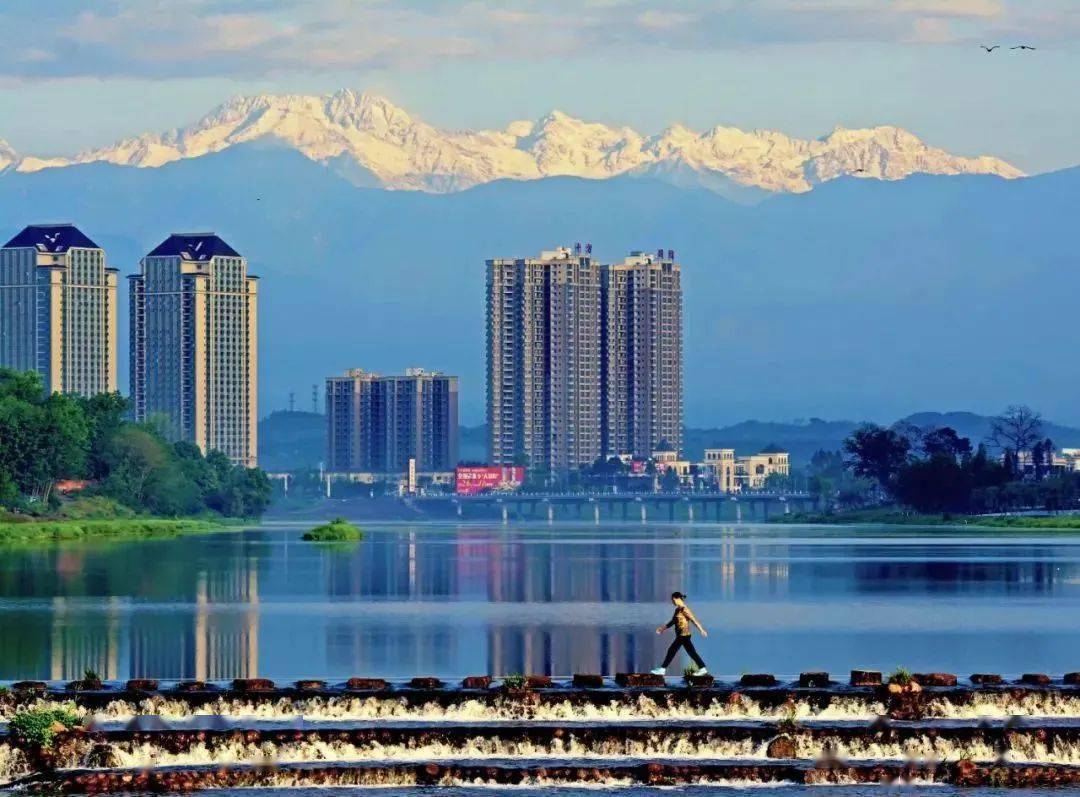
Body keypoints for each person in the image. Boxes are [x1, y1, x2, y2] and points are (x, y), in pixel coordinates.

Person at [651, 591, 708, 676]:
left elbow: (693, 620)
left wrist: (701, 630)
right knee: (691, 652)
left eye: (673, 600)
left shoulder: (684, 609)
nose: (672, 602)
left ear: (677, 599)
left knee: (672, 650)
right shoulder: (677, 609)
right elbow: (673, 621)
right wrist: (662, 629)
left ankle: (662, 669)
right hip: (681, 635)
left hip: (683, 635)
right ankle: (702, 668)